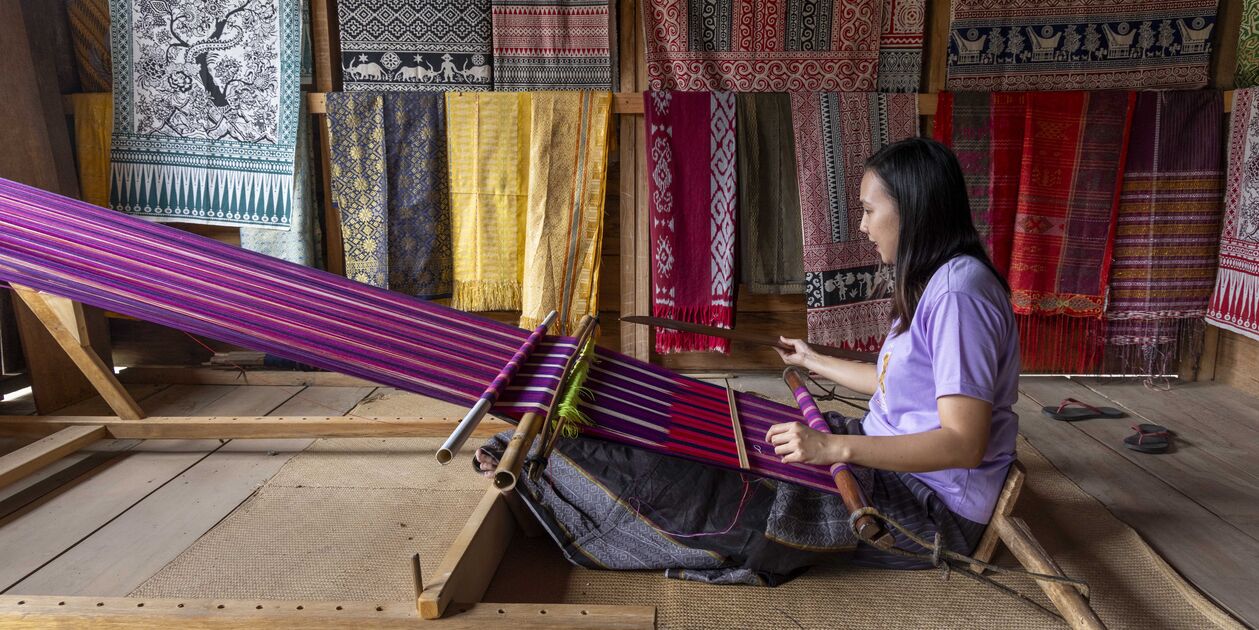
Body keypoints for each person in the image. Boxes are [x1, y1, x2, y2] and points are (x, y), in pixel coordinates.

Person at [475, 137, 1019, 585]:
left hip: (929, 507)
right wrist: (813, 360)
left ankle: (553, 466)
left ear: (913, 211)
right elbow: (894, 381)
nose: (861, 225)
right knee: (737, 440)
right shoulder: (938, 282)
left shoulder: (958, 297)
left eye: (869, 210)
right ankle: (554, 455)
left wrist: (833, 447)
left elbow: (962, 443)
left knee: (729, 498)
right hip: (889, 462)